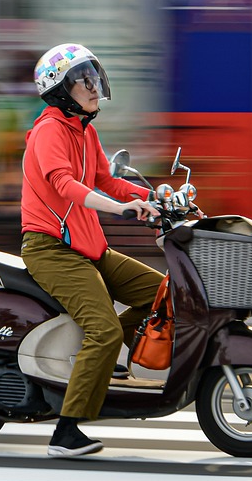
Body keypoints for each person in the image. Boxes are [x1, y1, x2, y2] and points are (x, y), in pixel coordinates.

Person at [20, 43, 163, 458]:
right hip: (51, 248)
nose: (94, 86)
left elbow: (108, 180)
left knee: (161, 294)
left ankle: (107, 361)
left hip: (87, 246)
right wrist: (120, 209)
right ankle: (66, 431)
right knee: (104, 329)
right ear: (61, 88)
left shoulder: (86, 130)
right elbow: (65, 185)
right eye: (84, 80)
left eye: (94, 77)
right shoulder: (49, 131)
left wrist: (153, 198)